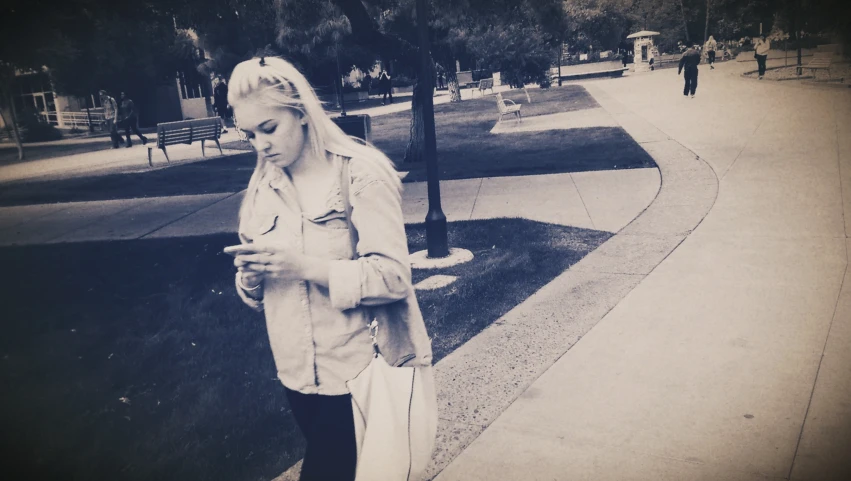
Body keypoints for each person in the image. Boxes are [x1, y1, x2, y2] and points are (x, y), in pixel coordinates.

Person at [225, 56, 433, 481]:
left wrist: (305, 266)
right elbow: (256, 287)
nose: (261, 145)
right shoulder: (263, 187)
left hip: (358, 371)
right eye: (249, 135)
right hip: (296, 373)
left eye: (269, 128)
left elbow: (393, 276)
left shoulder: (359, 173)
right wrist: (249, 280)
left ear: (301, 113)